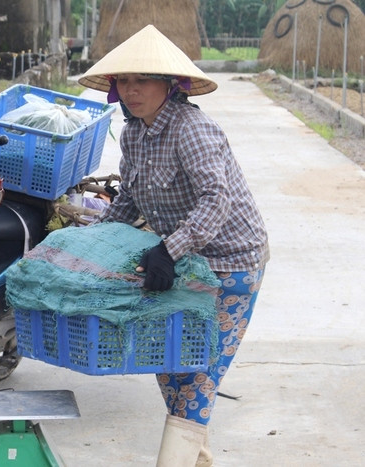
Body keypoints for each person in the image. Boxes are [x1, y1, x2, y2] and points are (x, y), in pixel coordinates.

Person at [78, 25, 270, 466]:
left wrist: (168, 249)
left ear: (169, 84)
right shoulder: (133, 134)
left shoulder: (192, 129)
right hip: (186, 261)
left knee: (199, 373)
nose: (131, 90)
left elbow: (216, 199)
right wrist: (91, 241)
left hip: (230, 264)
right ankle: (194, 458)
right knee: (169, 363)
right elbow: (127, 199)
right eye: (124, 81)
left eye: (142, 80)